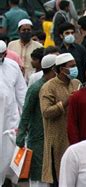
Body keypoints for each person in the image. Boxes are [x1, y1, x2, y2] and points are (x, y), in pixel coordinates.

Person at [39, 53, 81, 184]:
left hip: (74, 137)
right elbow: (46, 112)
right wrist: (66, 102)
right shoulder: (48, 87)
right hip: (57, 140)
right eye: (72, 66)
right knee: (59, 177)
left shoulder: (76, 83)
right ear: (62, 69)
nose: (75, 68)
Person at [17, 54, 56, 187]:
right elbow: (26, 112)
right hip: (38, 137)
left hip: (52, 136)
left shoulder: (55, 86)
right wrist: (21, 135)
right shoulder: (36, 88)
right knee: (38, 172)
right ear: (53, 69)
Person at [0, 40, 26, 184]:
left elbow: (21, 94)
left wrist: (25, 119)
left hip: (10, 118)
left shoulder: (13, 66)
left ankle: (9, 180)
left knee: (9, 152)